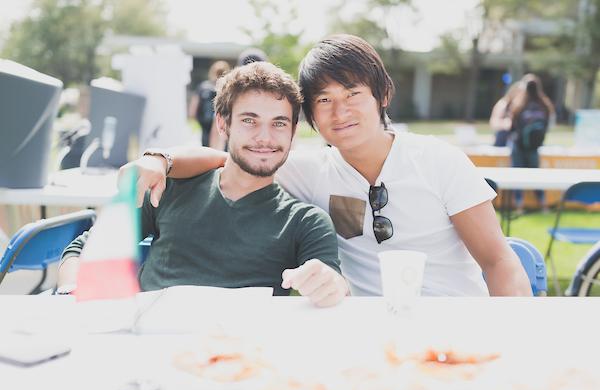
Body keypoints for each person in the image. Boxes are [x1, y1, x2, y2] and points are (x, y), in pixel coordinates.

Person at [125, 34, 532, 297]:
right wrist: (159, 159)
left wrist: (514, 341)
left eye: (353, 93)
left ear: (382, 95)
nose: (340, 111)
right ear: (311, 115)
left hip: (452, 328)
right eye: (323, 100)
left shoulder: (439, 161)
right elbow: (232, 159)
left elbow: (498, 262)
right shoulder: (309, 170)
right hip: (360, 332)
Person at [56, 62, 348, 307]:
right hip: (148, 348)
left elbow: (332, 285)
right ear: (223, 125)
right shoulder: (167, 188)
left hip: (241, 358)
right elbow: (84, 249)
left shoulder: (305, 221)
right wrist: (70, 293)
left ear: (293, 131)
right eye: (249, 120)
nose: (265, 137)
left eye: (279, 123)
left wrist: (328, 285)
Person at [510, 73, 555, 213]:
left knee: (517, 175)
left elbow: (513, 126)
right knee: (536, 175)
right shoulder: (545, 104)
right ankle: (543, 204)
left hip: (518, 145)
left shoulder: (519, 104)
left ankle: (519, 205)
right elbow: (548, 125)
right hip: (534, 146)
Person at [188, 60, 231, 147]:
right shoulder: (228, 88)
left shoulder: (203, 87)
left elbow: (192, 110)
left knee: (207, 151)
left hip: (205, 125)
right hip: (223, 124)